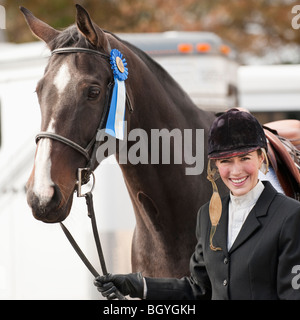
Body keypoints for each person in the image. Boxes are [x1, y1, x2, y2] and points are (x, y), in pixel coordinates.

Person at [94, 109, 300, 300]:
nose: (236, 171)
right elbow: (198, 289)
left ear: (261, 157)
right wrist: (135, 285)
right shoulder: (208, 216)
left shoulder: (290, 216)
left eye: (244, 158)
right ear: (216, 165)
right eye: (226, 161)